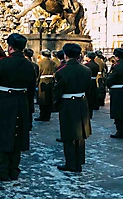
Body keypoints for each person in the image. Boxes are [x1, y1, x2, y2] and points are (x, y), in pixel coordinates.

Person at [0, 33, 36, 181]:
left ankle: (2, 170)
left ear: (10, 47)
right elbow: (31, 89)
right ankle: (14, 169)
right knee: (17, 137)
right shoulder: (29, 65)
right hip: (21, 102)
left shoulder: (4, 63)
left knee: (2, 136)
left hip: (4, 103)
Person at [53, 43, 92, 173]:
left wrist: (56, 104)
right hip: (82, 103)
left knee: (68, 135)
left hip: (68, 104)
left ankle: (70, 163)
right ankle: (79, 162)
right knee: (80, 135)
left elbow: (57, 92)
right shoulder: (86, 70)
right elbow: (89, 89)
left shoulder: (61, 72)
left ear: (65, 55)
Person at [36, 49, 56, 121]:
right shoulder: (53, 63)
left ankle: (42, 115)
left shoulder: (41, 63)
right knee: (49, 99)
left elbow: (39, 72)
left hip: (43, 81)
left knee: (42, 100)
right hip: (50, 81)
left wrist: (37, 82)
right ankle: (48, 115)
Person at [83, 52, 99, 119]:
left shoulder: (86, 65)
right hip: (94, 81)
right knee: (92, 98)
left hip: (88, 82)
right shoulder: (96, 65)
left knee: (87, 98)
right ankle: (91, 113)